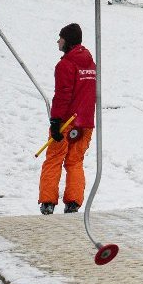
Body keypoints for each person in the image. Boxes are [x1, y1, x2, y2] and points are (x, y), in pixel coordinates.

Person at [39, 22, 97, 215]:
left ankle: (48, 202)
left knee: (54, 159)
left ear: (68, 41)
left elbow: (63, 94)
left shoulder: (65, 65)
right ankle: (73, 202)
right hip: (86, 122)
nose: (58, 41)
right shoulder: (90, 63)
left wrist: (55, 121)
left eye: (60, 38)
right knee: (75, 161)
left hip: (66, 122)